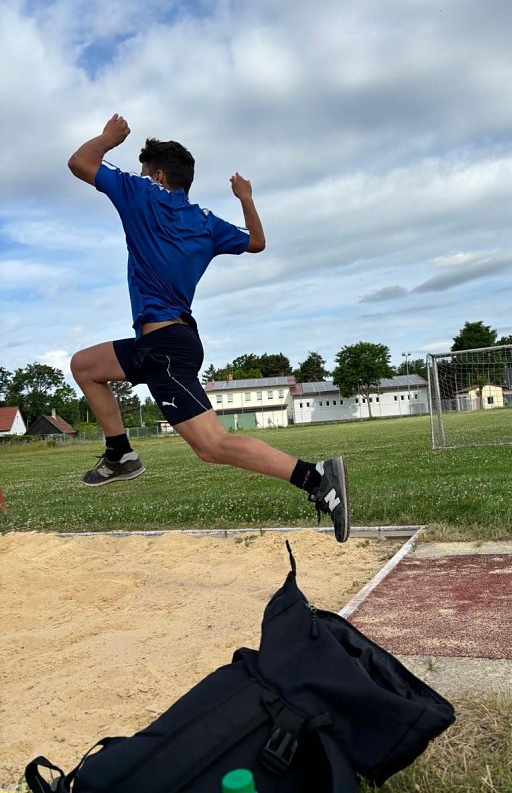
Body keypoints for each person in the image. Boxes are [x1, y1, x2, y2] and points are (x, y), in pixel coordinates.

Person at [68, 114, 350, 543]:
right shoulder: (206, 223)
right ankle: (120, 453)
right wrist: (245, 197)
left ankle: (317, 478)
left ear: (157, 177)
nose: (140, 178)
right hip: (162, 342)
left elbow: (79, 162)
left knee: (212, 446)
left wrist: (109, 138)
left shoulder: (141, 193)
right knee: (86, 366)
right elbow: (256, 241)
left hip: (164, 348)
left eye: (145, 172)